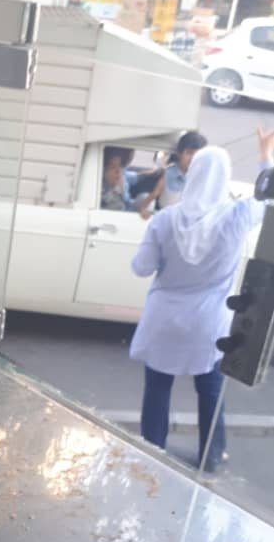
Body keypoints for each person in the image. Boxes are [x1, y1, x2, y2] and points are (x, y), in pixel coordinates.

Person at [129, 131, 274, 471]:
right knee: (210, 390)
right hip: (209, 322)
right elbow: (268, 198)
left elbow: (141, 267)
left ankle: (152, 458)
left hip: (163, 320)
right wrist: (264, 155)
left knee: (157, 389)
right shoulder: (237, 216)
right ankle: (211, 455)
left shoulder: (165, 220)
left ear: (192, 174)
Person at [101, 147, 159, 219]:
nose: (118, 171)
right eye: (112, 167)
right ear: (103, 170)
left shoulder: (121, 177)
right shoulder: (104, 194)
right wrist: (154, 195)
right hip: (123, 217)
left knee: (145, 197)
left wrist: (154, 173)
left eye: (120, 166)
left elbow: (133, 177)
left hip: (129, 207)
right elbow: (121, 214)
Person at [157, 130, 208, 209]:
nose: (193, 158)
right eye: (189, 153)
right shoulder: (169, 173)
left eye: (198, 155)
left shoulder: (204, 178)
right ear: (179, 152)